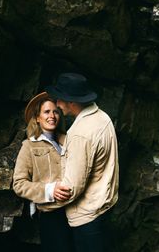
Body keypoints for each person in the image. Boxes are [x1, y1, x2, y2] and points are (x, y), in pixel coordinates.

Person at [43, 72, 119, 252]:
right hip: (104, 205)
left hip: (87, 217)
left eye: (60, 100)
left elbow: (72, 188)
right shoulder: (102, 117)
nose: (57, 105)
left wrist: (43, 203)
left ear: (71, 102)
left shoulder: (80, 133)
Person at [12, 92, 75, 252]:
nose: (52, 116)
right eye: (46, 112)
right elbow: (19, 184)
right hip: (52, 215)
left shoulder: (70, 140)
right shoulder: (29, 146)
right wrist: (50, 190)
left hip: (77, 210)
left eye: (55, 111)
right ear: (37, 118)